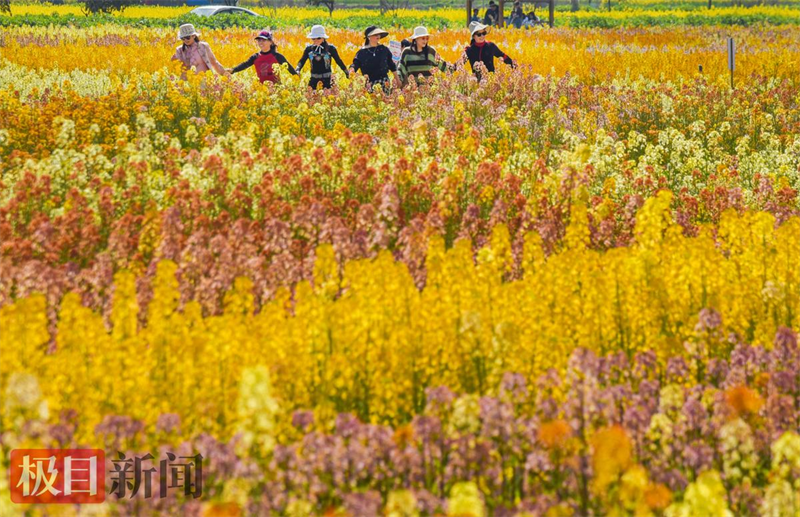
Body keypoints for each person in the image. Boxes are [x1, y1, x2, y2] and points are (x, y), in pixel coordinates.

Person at [228, 30, 297, 84]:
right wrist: (233, 70)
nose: (261, 42)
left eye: (264, 40)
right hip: (261, 89)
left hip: (276, 89)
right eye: (259, 40)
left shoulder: (277, 56)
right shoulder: (255, 57)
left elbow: (289, 68)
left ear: (270, 42)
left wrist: (297, 77)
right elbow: (245, 65)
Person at [296, 25, 349, 90]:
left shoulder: (330, 49)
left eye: (318, 38)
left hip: (328, 81)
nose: (316, 40)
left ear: (323, 38)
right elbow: (302, 61)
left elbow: (338, 61)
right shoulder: (309, 49)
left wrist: (346, 72)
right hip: (313, 81)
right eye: (313, 38)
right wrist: (297, 69)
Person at [349, 26, 397, 91]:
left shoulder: (384, 49)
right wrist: (352, 70)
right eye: (375, 34)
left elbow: (392, 65)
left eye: (379, 34)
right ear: (369, 37)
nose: (378, 36)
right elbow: (355, 64)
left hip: (384, 82)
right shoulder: (362, 52)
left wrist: (397, 79)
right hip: (369, 84)